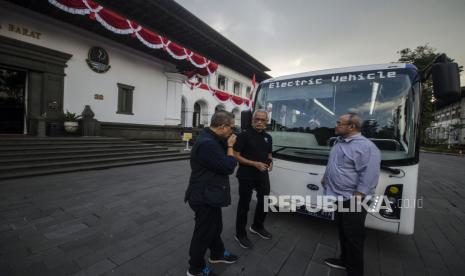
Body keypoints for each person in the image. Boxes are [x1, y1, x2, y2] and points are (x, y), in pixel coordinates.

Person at [322, 113, 381, 276]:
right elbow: (333, 163)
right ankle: (344, 260)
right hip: (338, 196)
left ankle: (355, 272)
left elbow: (370, 174)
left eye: (339, 123)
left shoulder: (366, 147)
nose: (336, 125)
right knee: (343, 231)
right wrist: (326, 176)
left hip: (353, 199)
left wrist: (359, 194)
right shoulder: (339, 142)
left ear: (351, 127)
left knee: (354, 237)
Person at [184, 110, 239, 276]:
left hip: (210, 194)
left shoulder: (213, 138)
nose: (233, 131)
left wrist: (227, 142)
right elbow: (228, 167)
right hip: (203, 196)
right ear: (222, 126)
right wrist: (230, 146)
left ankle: (217, 253)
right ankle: (195, 268)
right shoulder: (208, 144)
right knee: (203, 233)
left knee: (214, 227)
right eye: (232, 127)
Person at [233, 110, 273, 249]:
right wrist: (254, 164)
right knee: (244, 205)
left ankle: (257, 226)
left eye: (263, 120)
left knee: (265, 200)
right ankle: (240, 234)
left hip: (262, 174)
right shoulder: (244, 135)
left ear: (267, 122)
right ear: (252, 120)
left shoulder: (268, 137)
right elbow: (236, 156)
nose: (260, 122)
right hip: (246, 174)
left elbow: (269, 153)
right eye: (257, 119)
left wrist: (270, 161)